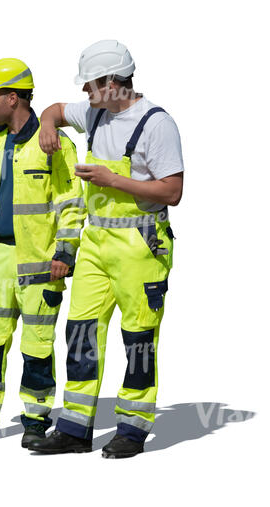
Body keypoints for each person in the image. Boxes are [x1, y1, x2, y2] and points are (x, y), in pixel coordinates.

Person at [29, 40, 184, 458]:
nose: (85, 93)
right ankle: (76, 430)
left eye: (91, 85)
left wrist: (112, 179)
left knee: (137, 339)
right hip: (96, 242)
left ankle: (132, 431)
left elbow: (172, 191)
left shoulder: (156, 124)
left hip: (141, 246)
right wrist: (47, 126)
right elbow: (55, 110)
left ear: (112, 83)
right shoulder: (95, 113)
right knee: (80, 332)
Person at [0, 58, 86, 448]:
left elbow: (72, 202)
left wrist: (66, 252)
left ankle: (35, 419)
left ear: (13, 97)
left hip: (42, 261)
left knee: (37, 345)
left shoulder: (54, 143)